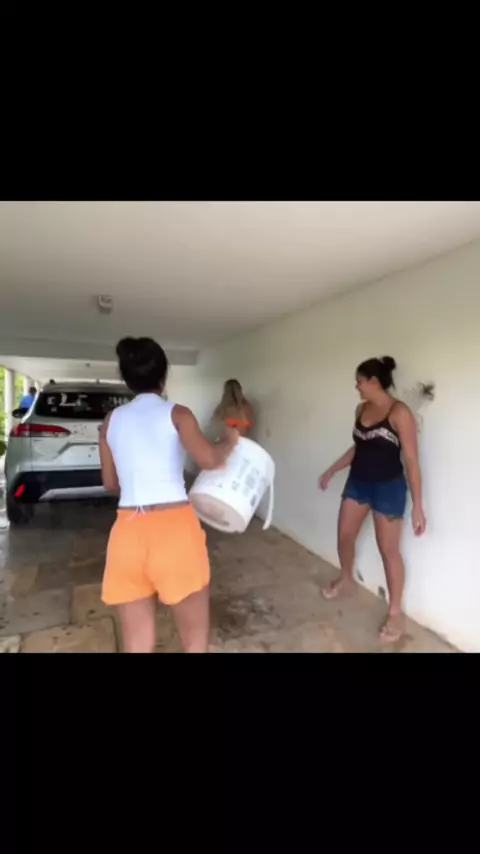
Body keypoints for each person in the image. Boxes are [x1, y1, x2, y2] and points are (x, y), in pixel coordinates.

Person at [99, 336, 239, 653]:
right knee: (194, 644)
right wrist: (230, 442)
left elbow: (110, 483)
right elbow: (208, 459)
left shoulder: (110, 422)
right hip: (174, 531)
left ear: (126, 379)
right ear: (163, 377)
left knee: (137, 645)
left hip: (127, 533)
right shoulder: (178, 414)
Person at [318, 356, 426, 643]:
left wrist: (418, 505)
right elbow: (359, 448)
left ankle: (395, 612)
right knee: (344, 536)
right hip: (358, 483)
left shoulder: (399, 413)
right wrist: (332, 470)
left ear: (374, 381)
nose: (357, 386)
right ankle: (346, 578)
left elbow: (412, 461)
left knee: (388, 549)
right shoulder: (361, 409)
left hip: (389, 488)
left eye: (360, 381)